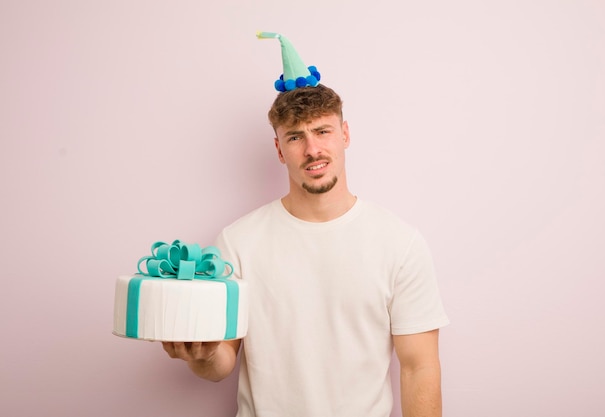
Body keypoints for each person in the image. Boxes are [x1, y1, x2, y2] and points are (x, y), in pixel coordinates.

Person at [162, 33, 449, 417]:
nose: (312, 149)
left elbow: (419, 368)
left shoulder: (400, 243)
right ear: (279, 150)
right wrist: (202, 354)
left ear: (344, 135)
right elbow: (221, 364)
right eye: (295, 137)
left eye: (322, 131)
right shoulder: (237, 242)